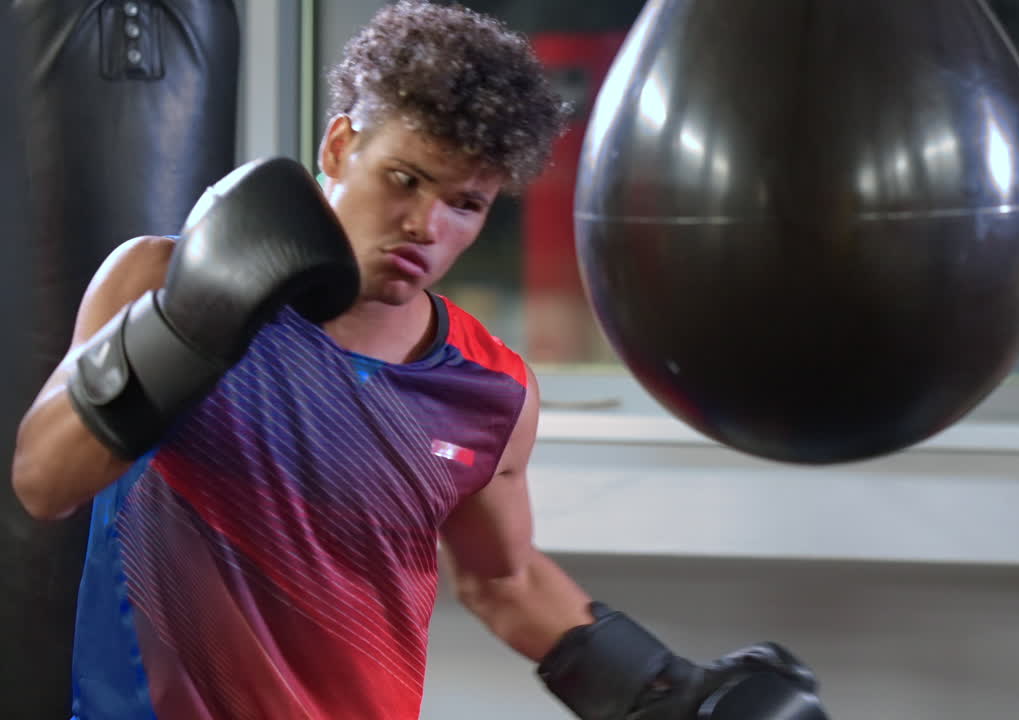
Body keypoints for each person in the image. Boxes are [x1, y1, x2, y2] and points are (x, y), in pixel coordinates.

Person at [11, 2, 829, 718]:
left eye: (465, 204)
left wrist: (667, 692)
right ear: (339, 148)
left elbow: (503, 581)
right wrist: (186, 327)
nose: (424, 225)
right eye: (403, 178)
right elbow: (43, 483)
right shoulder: (159, 278)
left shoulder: (490, 389)